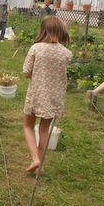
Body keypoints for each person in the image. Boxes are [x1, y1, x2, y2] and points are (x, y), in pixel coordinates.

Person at [22, 16, 73, 173]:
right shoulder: (67, 53)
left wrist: (37, 75)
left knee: (28, 126)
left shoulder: (36, 48)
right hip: (54, 97)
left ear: (43, 30)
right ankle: (41, 164)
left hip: (37, 94)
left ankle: (35, 159)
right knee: (44, 130)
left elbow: (26, 72)